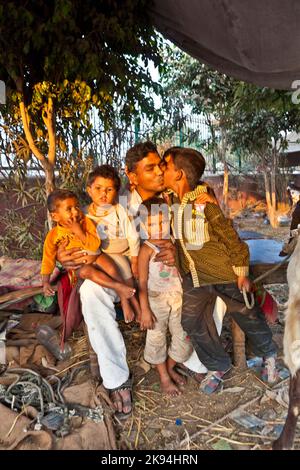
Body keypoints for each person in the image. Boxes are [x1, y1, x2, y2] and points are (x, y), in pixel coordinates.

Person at [162, 146, 278, 394]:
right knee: (191, 321)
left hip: (225, 275)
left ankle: (269, 355)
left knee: (247, 314)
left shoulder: (204, 203)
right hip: (195, 278)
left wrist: (242, 273)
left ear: (180, 174)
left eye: (166, 168)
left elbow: (232, 239)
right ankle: (219, 365)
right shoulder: (172, 200)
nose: (162, 172)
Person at [41, 189, 136, 322]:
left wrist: (80, 232)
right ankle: (118, 287)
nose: (75, 211)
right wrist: (45, 282)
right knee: (87, 271)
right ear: (55, 216)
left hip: (97, 257)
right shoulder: (53, 236)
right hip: (80, 266)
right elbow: (48, 259)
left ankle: (125, 303)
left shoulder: (85, 222)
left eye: (76, 206)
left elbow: (95, 245)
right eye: (69, 209)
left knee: (112, 268)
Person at [138, 197, 192, 396]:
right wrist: (144, 309)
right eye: (152, 224)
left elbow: (186, 271)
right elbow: (142, 282)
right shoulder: (146, 250)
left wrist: (176, 256)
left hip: (179, 298)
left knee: (184, 336)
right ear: (144, 226)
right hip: (155, 299)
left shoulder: (177, 244)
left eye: (162, 222)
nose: (158, 228)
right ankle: (164, 376)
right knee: (156, 337)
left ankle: (170, 366)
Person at [85, 164, 141, 321]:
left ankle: (131, 302)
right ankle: (127, 301)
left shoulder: (119, 209)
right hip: (103, 255)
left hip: (126, 252)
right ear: (89, 190)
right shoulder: (85, 214)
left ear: (116, 193)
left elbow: (133, 235)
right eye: (98, 188)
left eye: (109, 190)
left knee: (122, 262)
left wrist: (135, 260)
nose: (103, 193)